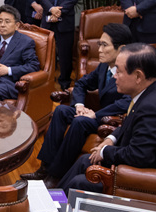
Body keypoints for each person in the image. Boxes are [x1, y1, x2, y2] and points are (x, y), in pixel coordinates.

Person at [57, 43, 156, 193]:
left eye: (118, 71)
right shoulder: (150, 93)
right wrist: (111, 139)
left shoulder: (152, 108)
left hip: (150, 183)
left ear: (138, 76)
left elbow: (138, 156)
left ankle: (56, 206)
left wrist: (105, 151)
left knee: (79, 182)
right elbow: (131, 124)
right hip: (136, 168)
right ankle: (53, 201)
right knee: (84, 161)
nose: (114, 76)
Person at [21, 23, 132, 185]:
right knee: (61, 110)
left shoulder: (129, 71)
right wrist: (79, 105)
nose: (99, 49)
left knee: (80, 121)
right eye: (99, 44)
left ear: (121, 49)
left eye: (104, 45)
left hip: (111, 120)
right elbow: (81, 84)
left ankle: (55, 175)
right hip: (93, 114)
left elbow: (127, 102)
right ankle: (44, 168)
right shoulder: (104, 67)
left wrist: (95, 114)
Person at [39, 0, 83, 90]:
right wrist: (51, 9)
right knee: (47, 54)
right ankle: (46, 82)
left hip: (65, 21)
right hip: (48, 21)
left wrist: (59, 11)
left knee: (65, 54)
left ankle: (64, 83)